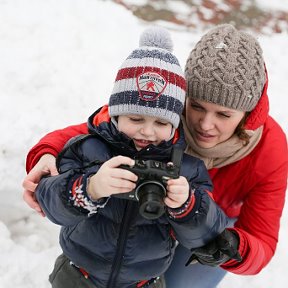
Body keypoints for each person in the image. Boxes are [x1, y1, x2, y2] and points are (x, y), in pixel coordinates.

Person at [23, 24, 288, 288]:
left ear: (247, 114)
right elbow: (95, 133)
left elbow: (262, 238)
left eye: (224, 115)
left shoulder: (269, 150)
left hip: (206, 218)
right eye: (196, 106)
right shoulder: (160, 114)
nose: (205, 124)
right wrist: (47, 153)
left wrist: (225, 243)